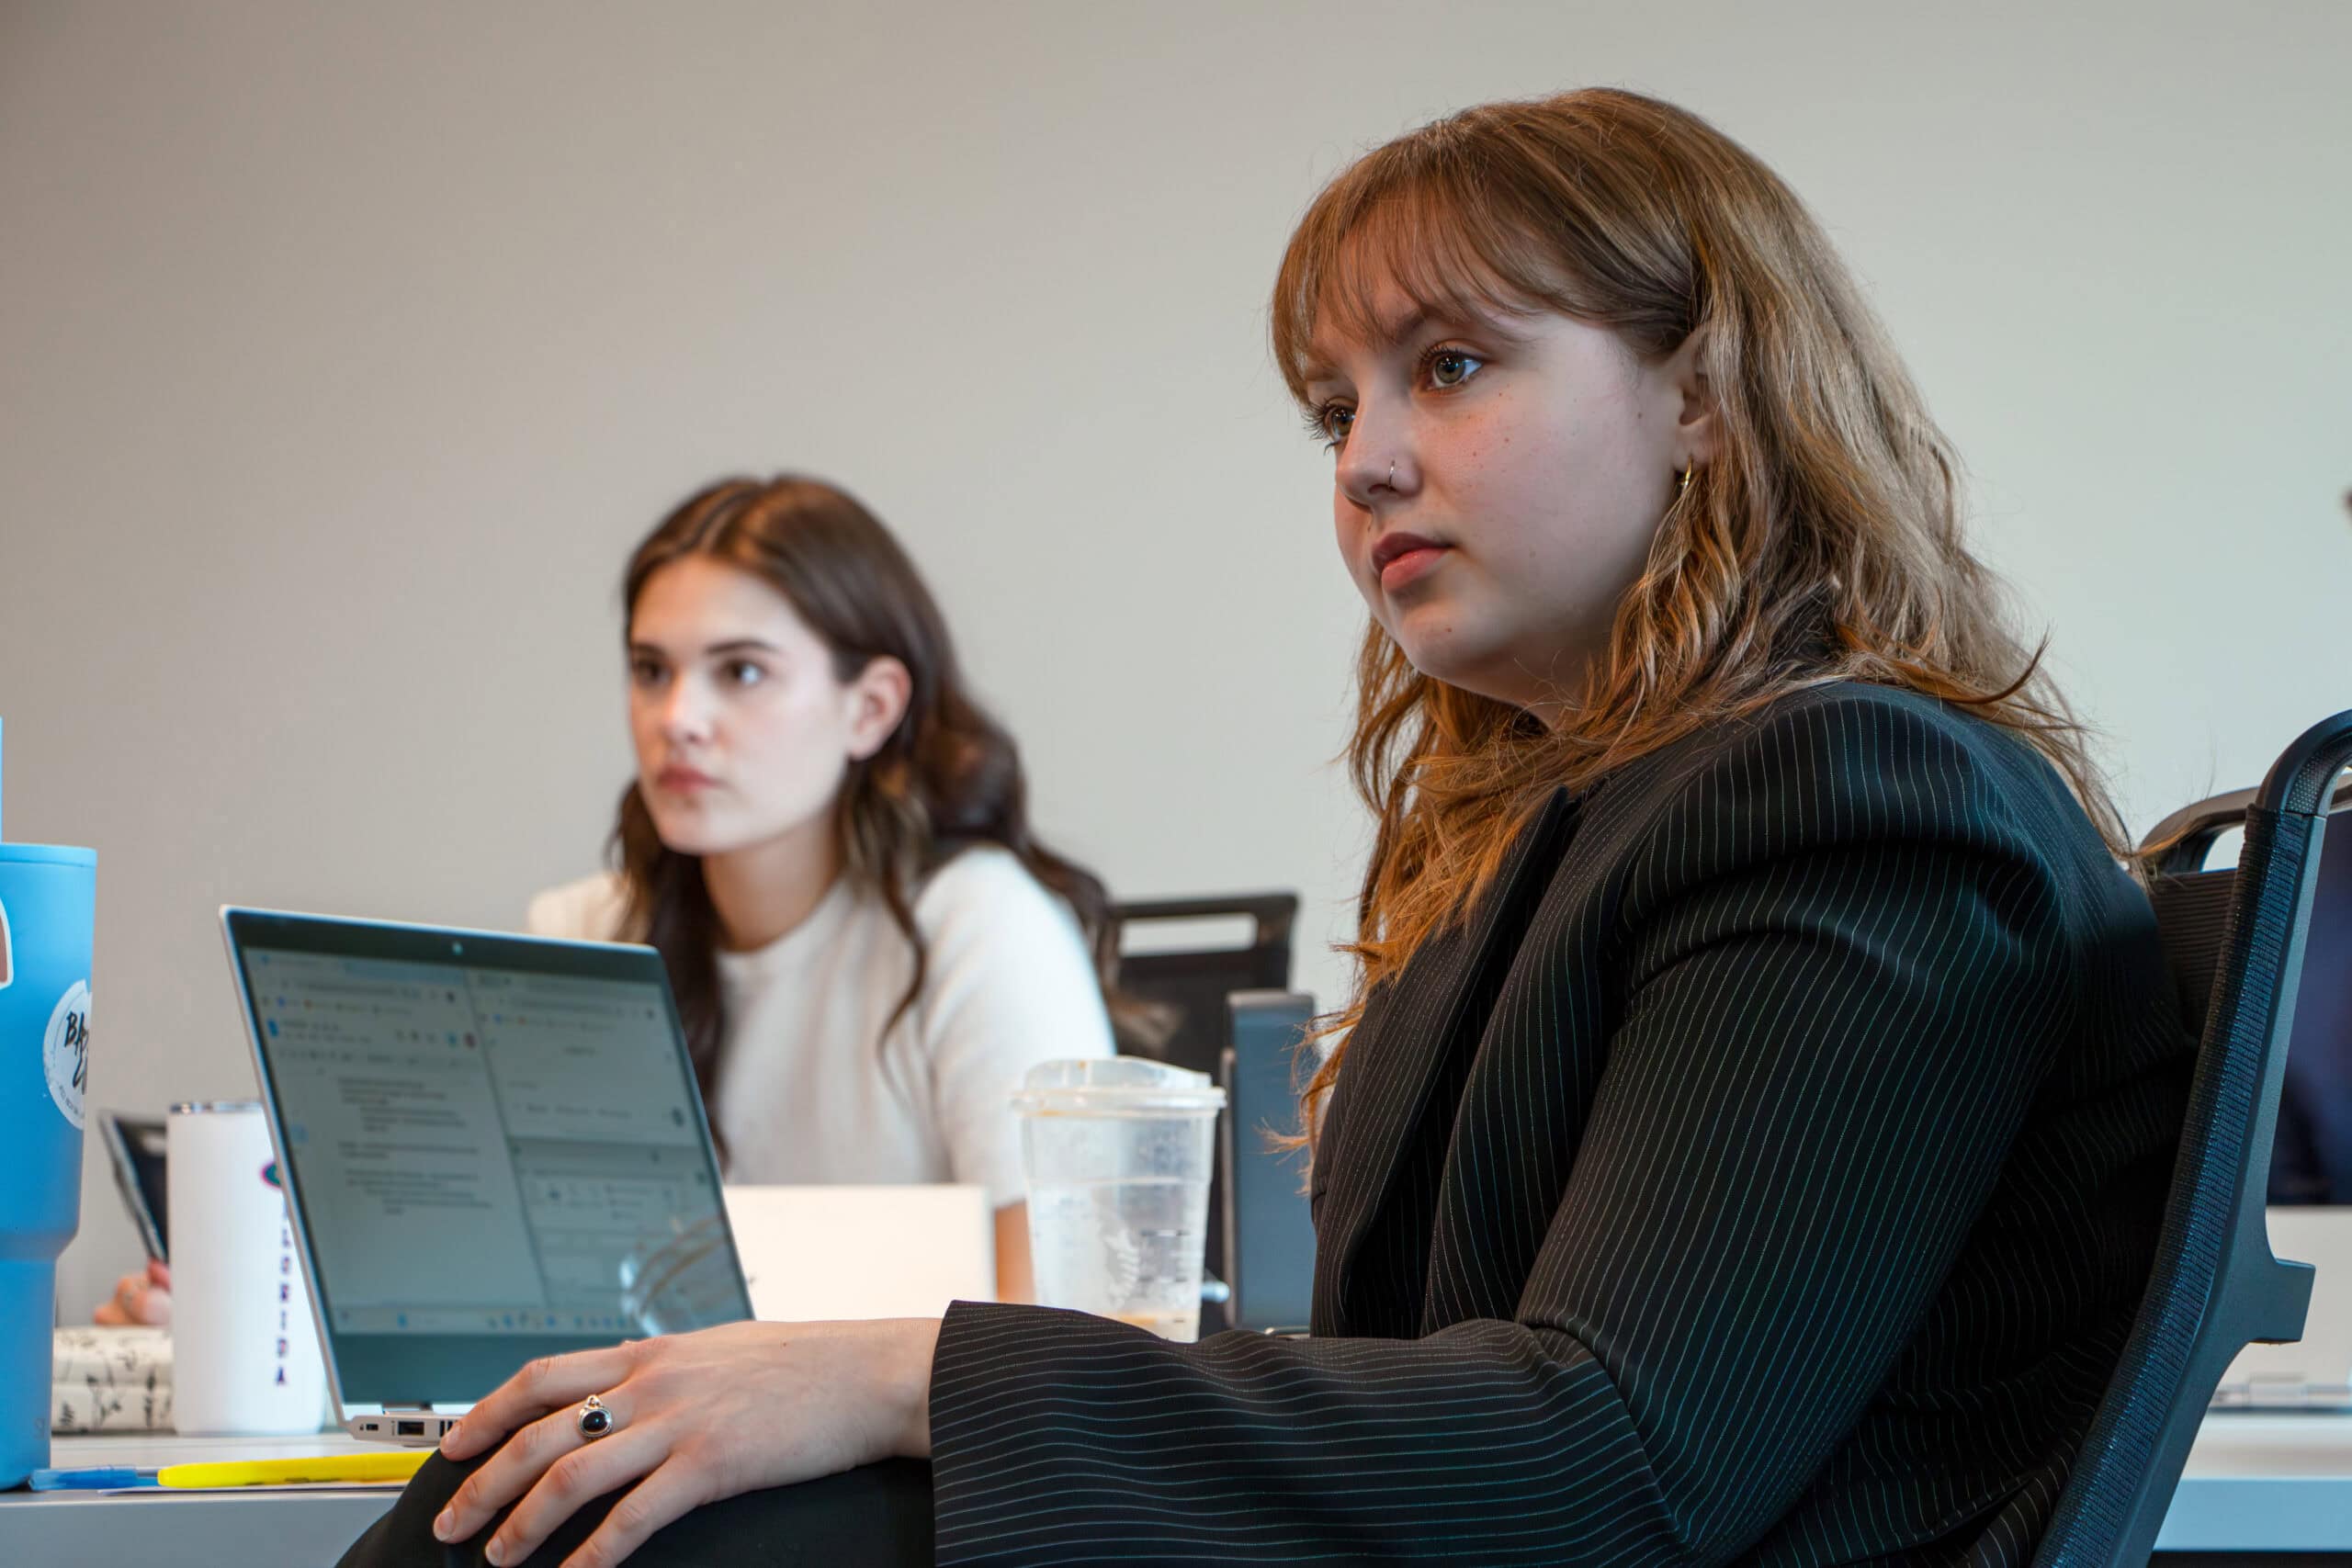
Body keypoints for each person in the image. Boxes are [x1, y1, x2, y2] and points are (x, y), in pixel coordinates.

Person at [342, 89, 2192, 1567]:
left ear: (1702, 394)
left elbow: (1609, 1465)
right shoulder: (1581, 830)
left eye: (1448, 367)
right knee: (554, 1491)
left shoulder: (1852, 798)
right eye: (1336, 406)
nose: (1366, 458)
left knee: (571, 1517)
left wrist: (902, 1374)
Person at [525, 475, 1121, 1303]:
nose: (677, 718)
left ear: (870, 709)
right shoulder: (589, 930)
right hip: (653, 1430)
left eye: (739, 671)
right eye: (651, 669)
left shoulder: (982, 924)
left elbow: (1066, 1344)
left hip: (926, 1436)